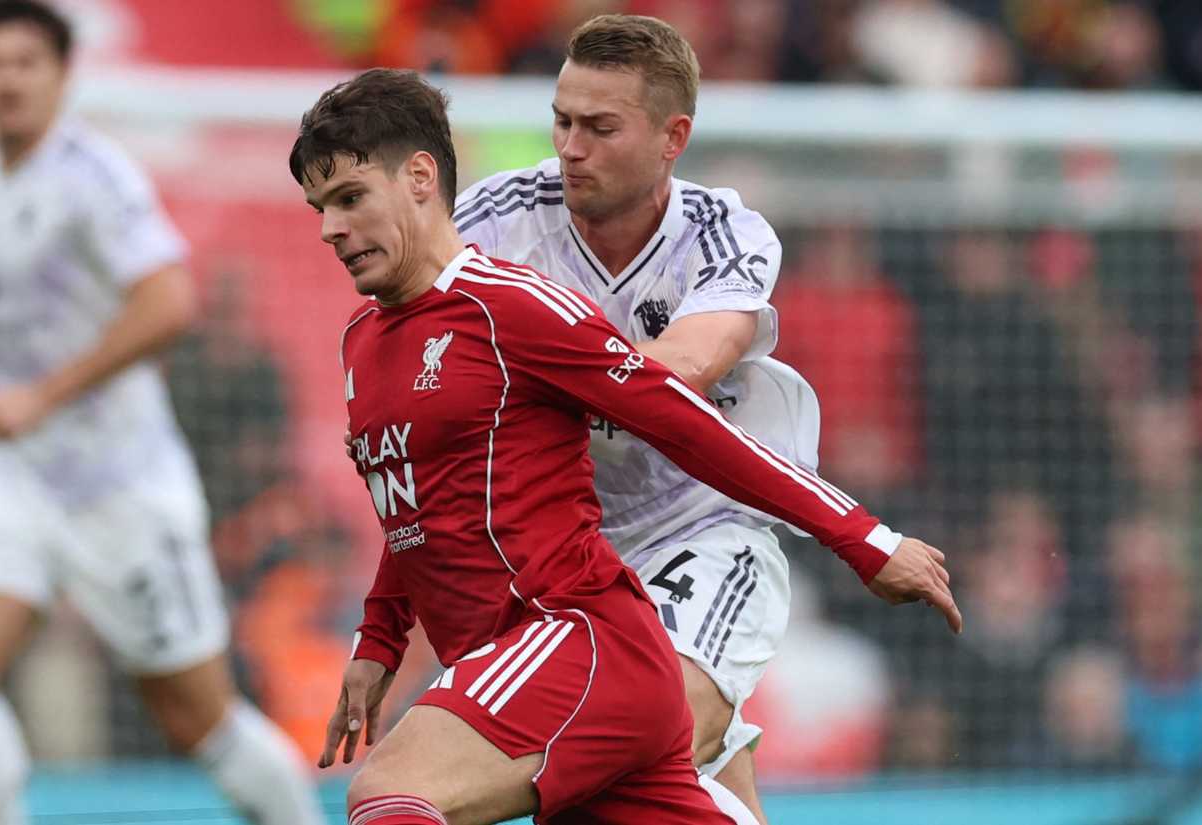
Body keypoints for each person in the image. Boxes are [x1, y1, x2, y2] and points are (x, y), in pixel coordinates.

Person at [294, 67, 961, 825]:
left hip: (575, 637)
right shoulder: (362, 341)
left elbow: (687, 423)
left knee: (386, 795)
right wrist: (378, 641)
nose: (330, 229)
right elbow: (418, 504)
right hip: (516, 659)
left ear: (420, 178)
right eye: (320, 208)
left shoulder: (515, 307)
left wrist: (863, 537)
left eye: (350, 199)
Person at [0, 3, 324, 825]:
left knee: (196, 717)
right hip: (20, 476)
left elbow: (169, 301)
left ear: (62, 74)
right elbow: (9, 330)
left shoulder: (97, 177)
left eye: (26, 62)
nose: (7, 80)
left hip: (118, 482)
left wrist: (44, 395)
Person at [452, 14, 839, 818]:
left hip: (700, 523)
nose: (569, 148)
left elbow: (687, 369)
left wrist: (538, 375)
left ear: (673, 137)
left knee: (622, 747)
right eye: (561, 121)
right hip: (562, 552)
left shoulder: (724, 232)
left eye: (600, 127)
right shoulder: (493, 219)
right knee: (658, 779)